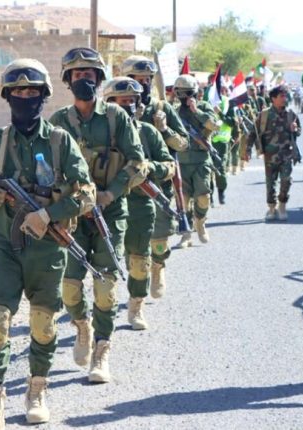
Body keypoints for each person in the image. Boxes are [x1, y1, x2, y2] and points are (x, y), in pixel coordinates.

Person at [0, 59, 95, 428]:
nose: (26, 97)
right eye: (19, 91)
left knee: (43, 323)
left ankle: (37, 388)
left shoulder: (60, 141)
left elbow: (87, 194)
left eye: (32, 91)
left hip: (47, 247)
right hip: (5, 245)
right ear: (8, 96)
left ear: (44, 95)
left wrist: (49, 214)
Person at [49, 47, 147, 383]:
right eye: (77, 74)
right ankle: (82, 326)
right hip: (72, 216)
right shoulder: (58, 122)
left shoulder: (116, 118)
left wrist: (108, 194)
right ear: (68, 79)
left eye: (89, 74)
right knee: (69, 288)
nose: (83, 79)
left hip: (110, 212)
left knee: (105, 287)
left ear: (98, 78)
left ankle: (102, 350)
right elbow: (46, 169)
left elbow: (138, 164)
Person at [103, 76, 175, 330]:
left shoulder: (147, 132)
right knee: (106, 262)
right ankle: (102, 310)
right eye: (122, 101)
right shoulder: (100, 134)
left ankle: (135, 307)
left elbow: (169, 166)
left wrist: (148, 168)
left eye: (132, 100)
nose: (129, 105)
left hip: (140, 205)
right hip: (107, 205)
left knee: (139, 260)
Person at [121, 55, 189, 297]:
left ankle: (158, 267)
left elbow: (183, 144)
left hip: (158, 185)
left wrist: (164, 129)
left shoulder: (162, 109)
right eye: (139, 79)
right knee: (133, 247)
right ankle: (138, 284)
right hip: (127, 188)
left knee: (159, 241)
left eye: (148, 79)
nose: (145, 84)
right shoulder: (117, 108)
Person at [173, 74, 222, 247]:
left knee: (203, 197)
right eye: (181, 92)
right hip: (181, 162)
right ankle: (186, 235)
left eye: (187, 92)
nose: (184, 96)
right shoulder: (174, 111)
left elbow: (214, 126)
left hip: (201, 161)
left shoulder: (204, 107)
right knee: (183, 200)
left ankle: (200, 222)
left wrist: (196, 112)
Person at [255, 85, 302, 221]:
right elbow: (254, 132)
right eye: (281, 96)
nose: (284, 98)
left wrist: (295, 129)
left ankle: (282, 205)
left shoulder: (291, 114)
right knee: (270, 183)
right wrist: (246, 151)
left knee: (286, 180)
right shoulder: (264, 115)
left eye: (285, 96)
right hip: (269, 155)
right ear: (273, 99)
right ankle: (271, 208)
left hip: (286, 154)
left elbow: (299, 131)